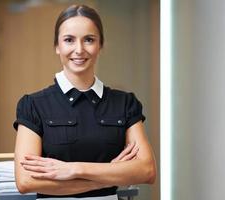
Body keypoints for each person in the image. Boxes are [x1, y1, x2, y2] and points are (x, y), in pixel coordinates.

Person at [13, 4, 156, 200]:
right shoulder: (33, 105)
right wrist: (109, 175)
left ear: (100, 45)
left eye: (89, 40)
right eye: (69, 40)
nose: (79, 50)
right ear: (57, 46)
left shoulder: (124, 103)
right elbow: (26, 181)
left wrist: (74, 169)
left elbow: (147, 170)